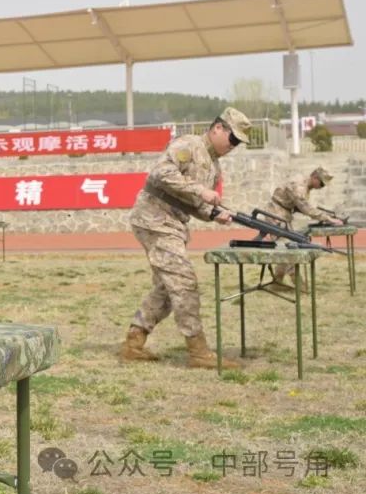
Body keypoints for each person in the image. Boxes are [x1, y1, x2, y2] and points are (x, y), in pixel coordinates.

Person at [120, 107, 250, 369]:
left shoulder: (214, 167)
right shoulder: (188, 145)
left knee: (167, 288)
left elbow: (194, 204)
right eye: (232, 138)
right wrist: (200, 190)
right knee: (183, 282)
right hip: (154, 219)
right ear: (218, 128)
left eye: (238, 143)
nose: (233, 145)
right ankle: (198, 351)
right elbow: (161, 173)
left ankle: (134, 341)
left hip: (173, 224)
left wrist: (214, 214)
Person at [265, 166, 342, 292]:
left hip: (283, 214)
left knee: (286, 247)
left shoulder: (306, 186)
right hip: (275, 215)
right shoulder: (299, 185)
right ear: (315, 177)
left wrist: (325, 215)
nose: (322, 187)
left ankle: (277, 282)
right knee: (288, 248)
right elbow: (305, 207)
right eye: (321, 183)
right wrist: (327, 218)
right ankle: (299, 285)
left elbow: (300, 206)